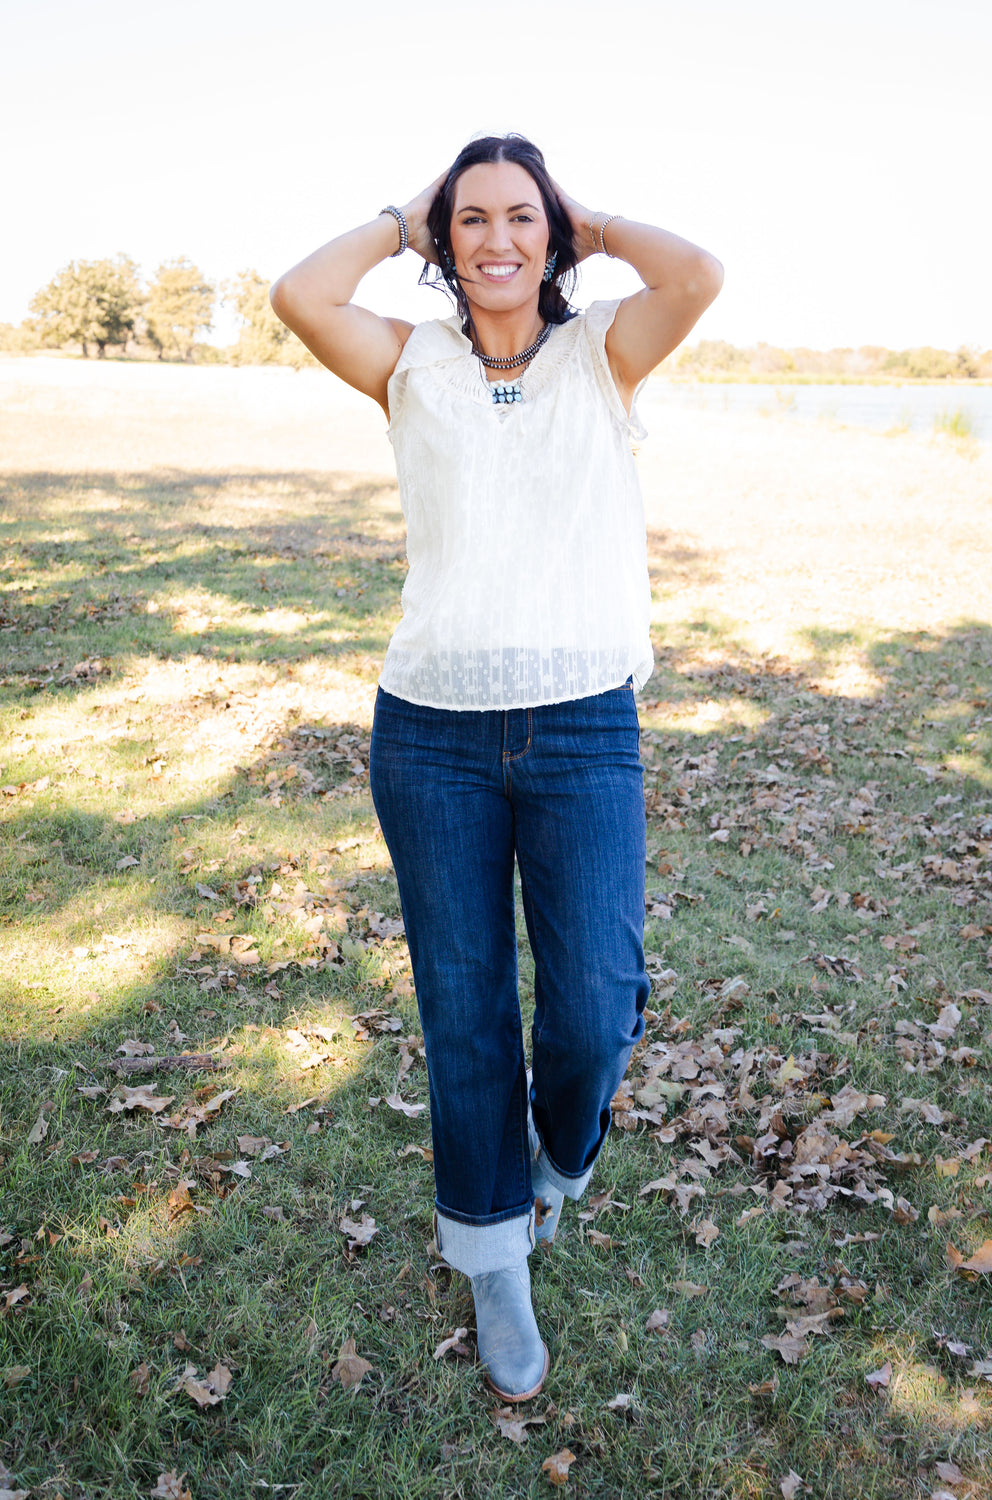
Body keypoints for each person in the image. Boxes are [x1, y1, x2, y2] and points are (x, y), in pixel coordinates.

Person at [270, 134, 723, 1402]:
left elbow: (699, 273)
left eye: (521, 218)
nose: (497, 240)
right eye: (472, 220)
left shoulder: (603, 353)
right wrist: (396, 219)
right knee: (465, 1013)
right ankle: (493, 1260)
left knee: (592, 998)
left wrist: (593, 215)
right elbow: (301, 295)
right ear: (445, 240)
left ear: (552, 233)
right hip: (432, 732)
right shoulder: (406, 364)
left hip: (582, 725)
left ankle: (555, 1164)